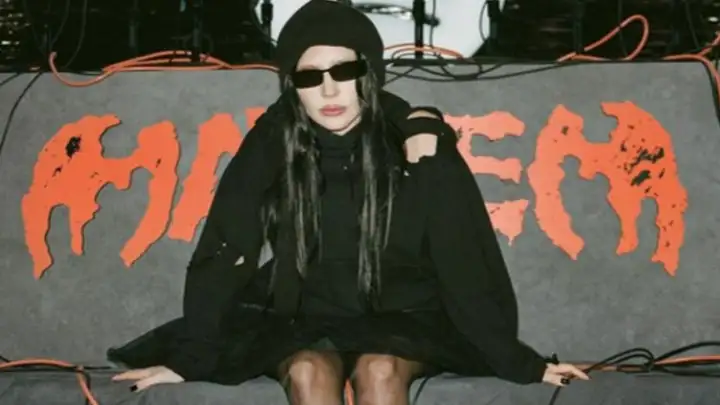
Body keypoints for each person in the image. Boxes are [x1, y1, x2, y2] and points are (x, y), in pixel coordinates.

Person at [108, 1, 589, 404]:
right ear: (292, 84)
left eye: (345, 70)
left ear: (370, 73)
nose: (329, 90)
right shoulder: (273, 142)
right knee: (308, 372)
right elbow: (225, 247)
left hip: (405, 316)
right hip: (301, 318)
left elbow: (461, 256)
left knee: (380, 370)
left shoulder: (416, 144)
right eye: (310, 76)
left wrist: (518, 361)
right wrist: (191, 357)